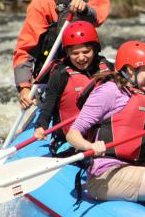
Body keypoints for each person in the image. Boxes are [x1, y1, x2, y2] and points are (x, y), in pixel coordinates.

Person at [13, 0, 111, 109]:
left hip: (86, 67)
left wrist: (86, 9)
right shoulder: (44, 1)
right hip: (53, 74)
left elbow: (98, 15)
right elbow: (25, 49)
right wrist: (24, 87)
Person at [65, 41, 145, 202]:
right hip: (106, 175)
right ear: (131, 69)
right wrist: (90, 146)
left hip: (135, 167)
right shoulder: (110, 91)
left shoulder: (144, 97)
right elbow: (72, 134)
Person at [32, 21, 113, 151]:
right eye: (75, 53)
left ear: (95, 49)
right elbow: (48, 105)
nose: (81, 58)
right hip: (69, 140)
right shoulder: (60, 74)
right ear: (67, 53)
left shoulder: (107, 68)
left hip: (101, 137)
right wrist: (41, 125)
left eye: (86, 51)